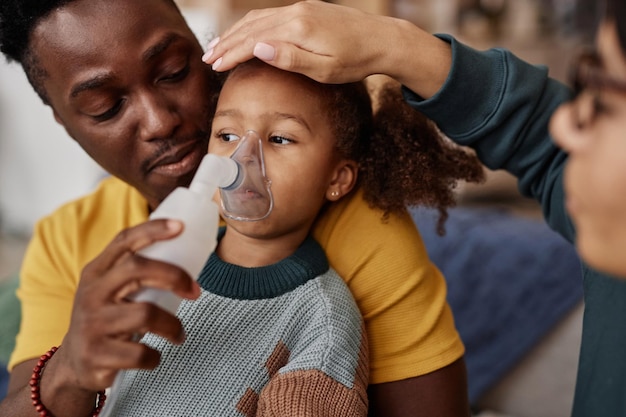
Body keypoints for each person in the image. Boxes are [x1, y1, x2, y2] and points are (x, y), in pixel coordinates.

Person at [0, 1, 483, 416]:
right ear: (66, 124)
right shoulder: (68, 238)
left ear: (206, 49)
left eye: (173, 72)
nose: (159, 121)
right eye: (107, 107)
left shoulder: (359, 233)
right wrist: (68, 371)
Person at [202, 0, 626, 415]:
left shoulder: (323, 321)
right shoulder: (159, 262)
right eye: (225, 135)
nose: (243, 159)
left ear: (339, 179)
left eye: (605, 100)